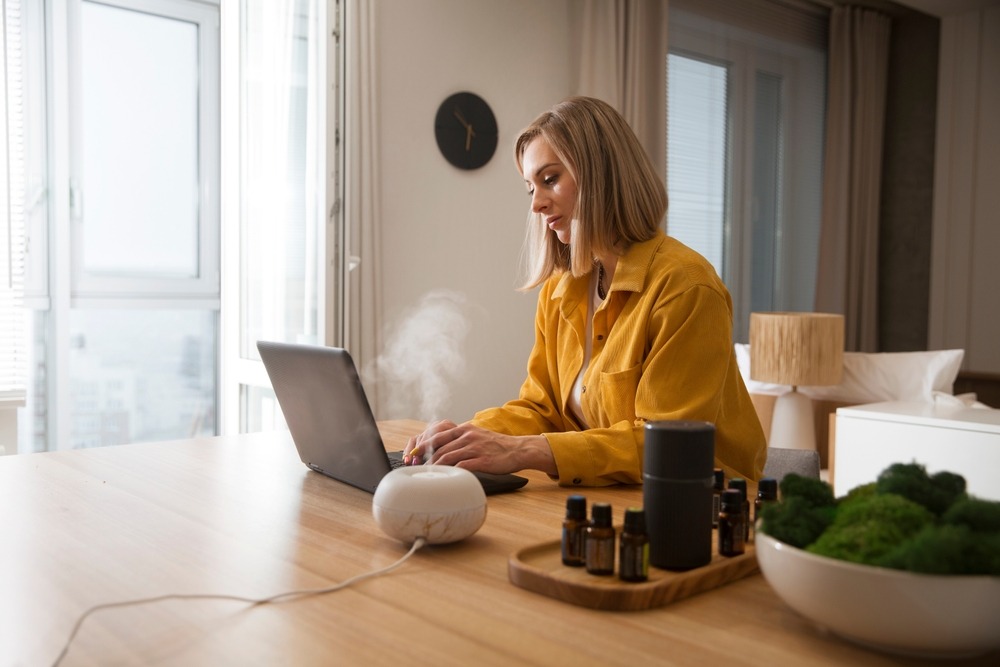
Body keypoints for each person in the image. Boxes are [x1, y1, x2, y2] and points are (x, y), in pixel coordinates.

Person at [403, 96, 766, 486]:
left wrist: (524, 451)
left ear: (601, 174)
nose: (537, 204)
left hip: (705, 507)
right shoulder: (561, 289)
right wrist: (464, 437)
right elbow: (541, 408)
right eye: (530, 188)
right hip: (613, 497)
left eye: (550, 179)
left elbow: (666, 445)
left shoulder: (686, 288)